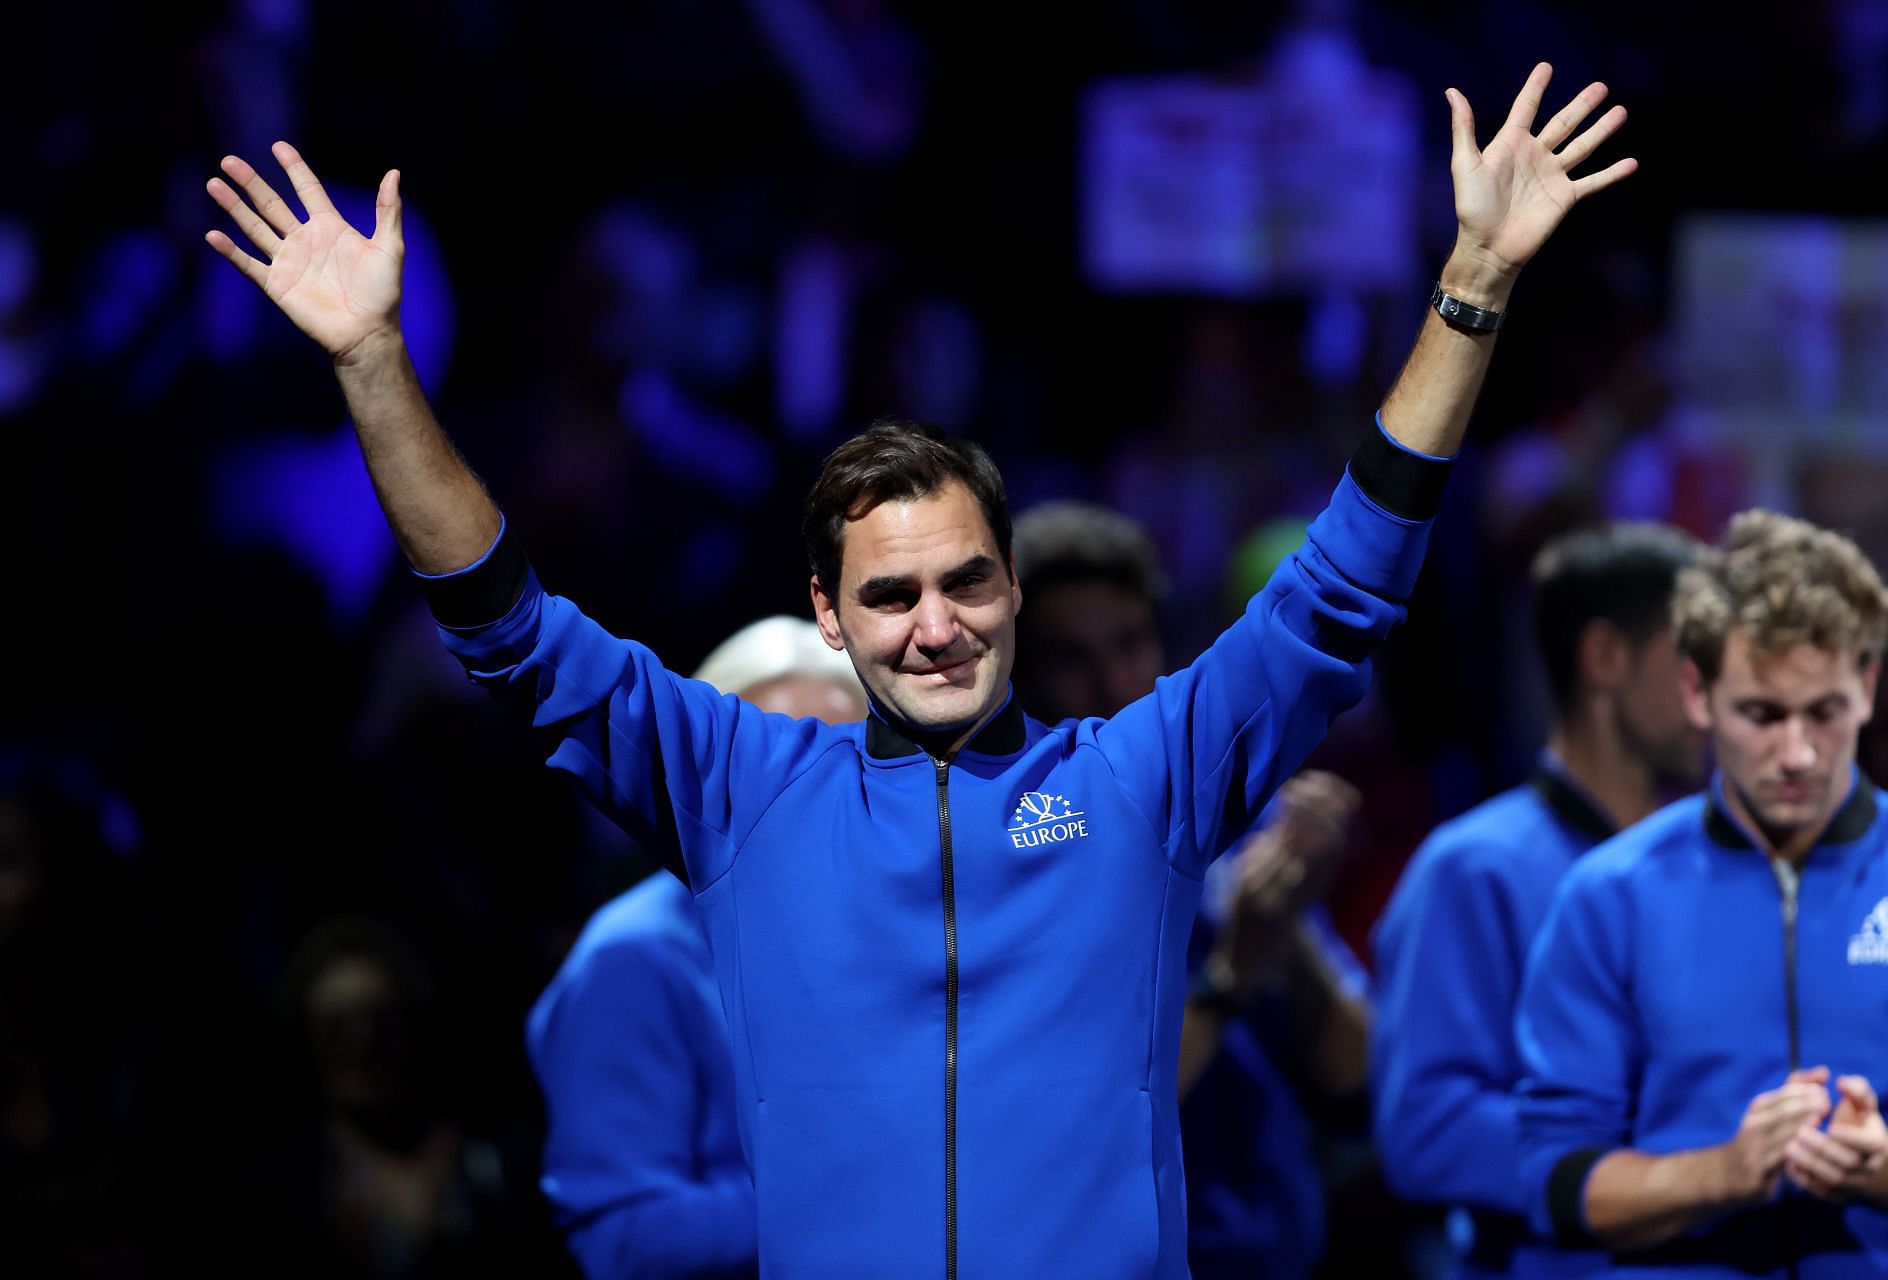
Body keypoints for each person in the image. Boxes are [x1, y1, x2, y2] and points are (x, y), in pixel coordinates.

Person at [206, 63, 1634, 1277]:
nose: (935, 625)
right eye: (890, 596)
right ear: (827, 615)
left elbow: (1344, 587)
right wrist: (373, 363)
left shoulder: (1141, 774)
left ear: (1011, 588)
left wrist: (1474, 279)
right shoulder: (741, 783)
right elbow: (504, 626)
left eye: (966, 582)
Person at [1517, 511, 1888, 1276]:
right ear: (1699, 694)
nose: (1797, 753)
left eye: (1825, 713)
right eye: (1762, 715)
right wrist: (1726, 1172)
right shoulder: (1610, 895)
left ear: (1867, 689)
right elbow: (1557, 1182)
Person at [1012, 500, 1370, 1278]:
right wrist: (1234, 971)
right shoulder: (1015, 857)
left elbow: (1356, 1076)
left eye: (1131, 643)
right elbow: (1088, 1126)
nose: (1112, 683)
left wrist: (1289, 922)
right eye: (1070, 657)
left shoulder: (1234, 812)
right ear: (1017, 677)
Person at [1370, 522, 1705, 1278]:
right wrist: (1662, 1156)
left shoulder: (1708, 859)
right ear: (1604, 657)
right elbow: (1426, 1128)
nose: (1711, 695)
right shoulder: (1474, 867)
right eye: (1689, 659)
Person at [526, 616, 865, 1279]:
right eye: (767, 767)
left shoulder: (901, 928)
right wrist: (866, 1199)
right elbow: (621, 1235)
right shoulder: (634, 961)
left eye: (837, 765)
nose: (800, 799)